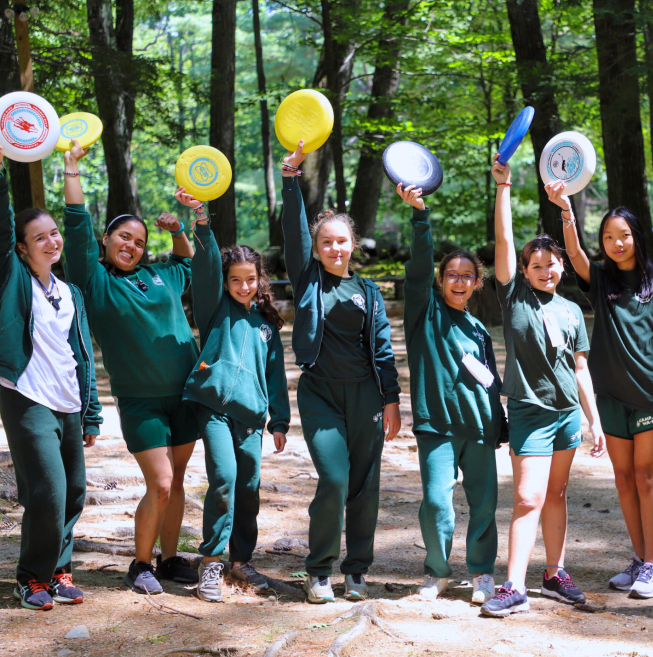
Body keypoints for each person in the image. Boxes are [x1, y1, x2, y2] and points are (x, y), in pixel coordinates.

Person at [61, 144, 200, 594]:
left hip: (185, 394)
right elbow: (77, 225)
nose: (132, 245)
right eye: (124, 237)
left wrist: (178, 228)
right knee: (159, 482)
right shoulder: (95, 281)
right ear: (107, 240)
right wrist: (72, 170)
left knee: (177, 481)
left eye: (140, 242)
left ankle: (171, 556)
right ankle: (140, 564)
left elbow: (185, 261)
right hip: (140, 400)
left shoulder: (159, 276)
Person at [481, 155, 605, 618]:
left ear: (561, 269)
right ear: (525, 269)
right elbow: (504, 239)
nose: (545, 270)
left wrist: (595, 422)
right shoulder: (514, 296)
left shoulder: (572, 311)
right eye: (537, 265)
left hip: (568, 416)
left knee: (555, 495)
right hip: (530, 412)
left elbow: (580, 370)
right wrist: (504, 187)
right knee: (528, 497)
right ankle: (513, 585)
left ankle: (555, 573)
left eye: (552, 265)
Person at [547, 182, 653, 599]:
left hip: (650, 393)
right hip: (608, 395)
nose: (616, 242)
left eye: (623, 235)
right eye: (608, 237)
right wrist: (567, 211)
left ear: (636, 238)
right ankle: (640, 560)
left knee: (645, 477)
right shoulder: (601, 277)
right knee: (623, 479)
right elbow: (573, 255)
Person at [280, 141, 401, 604]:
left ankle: (356, 570)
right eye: (325, 241)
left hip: (366, 397)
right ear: (317, 246)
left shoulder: (367, 292)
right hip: (320, 395)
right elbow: (293, 230)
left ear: (353, 245)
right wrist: (292, 181)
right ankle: (318, 570)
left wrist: (391, 401)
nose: (334, 248)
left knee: (365, 484)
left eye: (341, 241)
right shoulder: (307, 277)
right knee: (334, 479)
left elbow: (384, 350)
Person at [173, 189, 290, 602]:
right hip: (214, 409)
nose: (243, 286)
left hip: (251, 418)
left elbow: (275, 377)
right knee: (223, 479)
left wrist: (279, 420)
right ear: (225, 282)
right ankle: (212, 562)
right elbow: (203, 266)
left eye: (250, 279)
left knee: (250, 486)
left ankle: (242, 560)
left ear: (261, 281)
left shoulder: (267, 326)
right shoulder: (214, 307)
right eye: (235, 280)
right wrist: (201, 221)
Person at [0, 144, 103, 610]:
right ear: (22, 247)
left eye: (54, 233)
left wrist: (92, 412)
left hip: (68, 401)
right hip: (26, 396)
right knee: (47, 490)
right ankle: (30, 578)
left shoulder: (70, 291)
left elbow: (80, 355)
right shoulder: (13, 279)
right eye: (38, 237)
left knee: (75, 491)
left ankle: (59, 571)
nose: (51, 241)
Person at [397, 183, 504, 604]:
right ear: (441, 280)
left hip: (479, 427)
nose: (459, 282)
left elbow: (489, 381)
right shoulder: (424, 311)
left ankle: (481, 573)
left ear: (478, 283)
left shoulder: (478, 330)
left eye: (468, 276)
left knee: (484, 505)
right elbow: (419, 267)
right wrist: (420, 217)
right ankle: (437, 572)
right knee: (437, 502)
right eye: (452, 275)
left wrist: (500, 425)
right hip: (436, 426)